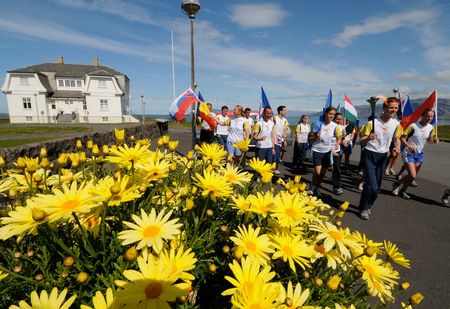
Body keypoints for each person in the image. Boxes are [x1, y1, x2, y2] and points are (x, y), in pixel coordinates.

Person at [358, 97, 403, 220]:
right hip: (369, 154)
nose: (393, 110)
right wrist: (368, 138)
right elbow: (360, 141)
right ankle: (365, 208)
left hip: (383, 157)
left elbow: (397, 139)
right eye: (390, 107)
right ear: (384, 108)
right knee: (372, 186)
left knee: (376, 187)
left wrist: (397, 148)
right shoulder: (372, 123)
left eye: (395, 108)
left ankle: (364, 205)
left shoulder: (396, 124)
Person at [392, 109, 439, 199]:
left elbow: (429, 140)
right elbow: (402, 138)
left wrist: (434, 140)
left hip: (419, 154)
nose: (429, 118)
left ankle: (402, 190)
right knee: (412, 175)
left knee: (412, 177)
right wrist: (409, 146)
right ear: (422, 115)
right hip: (408, 152)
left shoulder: (431, 127)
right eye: (427, 116)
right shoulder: (413, 126)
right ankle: (397, 183)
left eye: (431, 116)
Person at [309, 106, 342, 197]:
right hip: (317, 150)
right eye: (330, 114)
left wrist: (335, 147)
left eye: (333, 114)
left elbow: (339, 139)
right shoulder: (318, 124)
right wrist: (316, 136)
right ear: (326, 113)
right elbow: (310, 137)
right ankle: (312, 186)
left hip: (327, 152)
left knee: (322, 173)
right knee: (318, 172)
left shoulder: (335, 126)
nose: (332, 116)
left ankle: (317, 188)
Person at [331, 113, 345, 195]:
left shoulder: (342, 127)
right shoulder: (330, 126)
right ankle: (314, 187)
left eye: (340, 119)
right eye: (337, 119)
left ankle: (337, 187)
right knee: (321, 171)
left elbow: (341, 139)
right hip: (327, 150)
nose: (339, 121)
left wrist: (344, 136)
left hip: (337, 150)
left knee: (336, 168)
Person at [273, 106, 289, 174]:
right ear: (280, 111)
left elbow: (284, 131)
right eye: (284, 110)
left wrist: (284, 140)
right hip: (272, 139)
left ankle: (275, 168)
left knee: (277, 155)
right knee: (272, 155)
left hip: (279, 140)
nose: (286, 111)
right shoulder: (274, 118)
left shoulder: (285, 120)